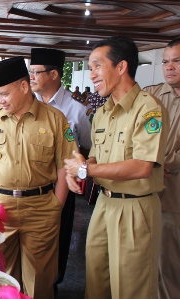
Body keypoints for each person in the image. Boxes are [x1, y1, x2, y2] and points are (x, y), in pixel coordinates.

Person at [64, 36, 169, 299]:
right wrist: (76, 168)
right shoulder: (102, 112)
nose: (92, 75)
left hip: (136, 208)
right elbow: (97, 160)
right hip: (104, 205)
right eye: (90, 68)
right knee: (96, 281)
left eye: (97, 66)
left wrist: (87, 170)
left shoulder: (148, 109)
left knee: (131, 288)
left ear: (121, 67)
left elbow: (142, 166)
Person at [0, 56, 77, 298]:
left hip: (41, 209)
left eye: (4, 94)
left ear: (23, 86)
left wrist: (57, 204)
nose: (0, 100)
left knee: (40, 278)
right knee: (2, 274)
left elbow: (65, 164)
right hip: (0, 208)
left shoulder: (54, 119)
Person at [29, 47, 92, 295]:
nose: (31, 77)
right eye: (30, 71)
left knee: (57, 241)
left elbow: (86, 148)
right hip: (30, 189)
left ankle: (51, 286)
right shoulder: (28, 105)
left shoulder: (77, 111)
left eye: (37, 72)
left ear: (54, 74)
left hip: (59, 189)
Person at [143, 38, 180, 299]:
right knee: (148, 263)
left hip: (175, 196)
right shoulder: (153, 96)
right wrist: (152, 161)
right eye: (166, 61)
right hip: (149, 192)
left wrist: (167, 162)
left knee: (169, 267)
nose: (170, 67)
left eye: (177, 61)